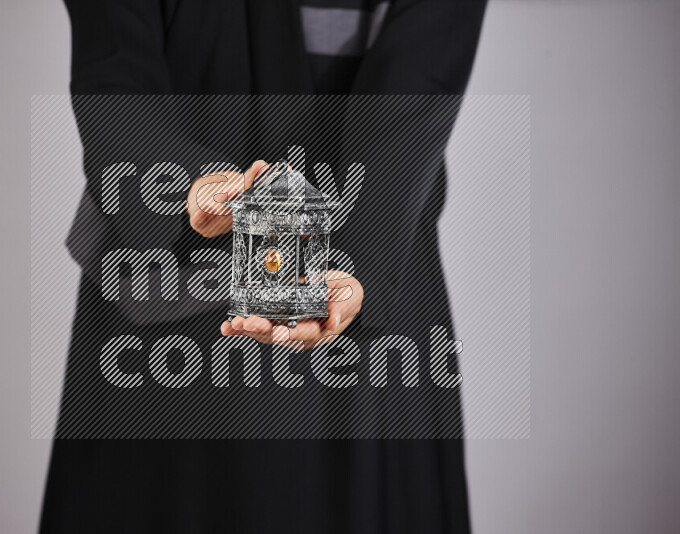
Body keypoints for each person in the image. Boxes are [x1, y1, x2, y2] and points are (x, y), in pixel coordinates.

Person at [40, 0, 486, 532]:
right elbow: (114, 65)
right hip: (174, 259)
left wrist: (356, 262)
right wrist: (188, 185)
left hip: (370, 270)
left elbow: (423, 76)